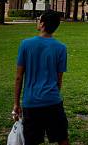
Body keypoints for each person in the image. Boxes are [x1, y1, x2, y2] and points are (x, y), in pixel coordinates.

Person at [13, 10, 69, 145]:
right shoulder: (61, 48)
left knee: (32, 141)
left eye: (39, 19)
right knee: (62, 138)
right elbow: (59, 78)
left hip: (31, 102)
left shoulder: (26, 44)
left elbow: (19, 77)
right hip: (53, 100)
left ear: (42, 24)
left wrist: (16, 103)